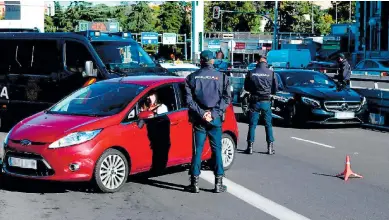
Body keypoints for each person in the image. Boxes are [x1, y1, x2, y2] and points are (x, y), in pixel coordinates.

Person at [184, 50, 231, 193]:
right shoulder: (222, 77)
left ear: (201, 61)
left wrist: (202, 113)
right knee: (217, 150)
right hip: (215, 119)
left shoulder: (192, 77)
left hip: (199, 119)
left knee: (197, 150)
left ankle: (194, 183)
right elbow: (227, 99)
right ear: (212, 61)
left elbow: (189, 101)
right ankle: (218, 183)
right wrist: (214, 113)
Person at [244, 55, 278, 155]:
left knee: (252, 125)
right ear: (265, 62)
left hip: (254, 101)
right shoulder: (271, 73)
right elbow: (275, 89)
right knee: (268, 124)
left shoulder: (251, 73)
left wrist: (254, 91)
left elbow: (246, 87)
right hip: (266, 101)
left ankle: (250, 147)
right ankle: (270, 148)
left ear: (257, 62)